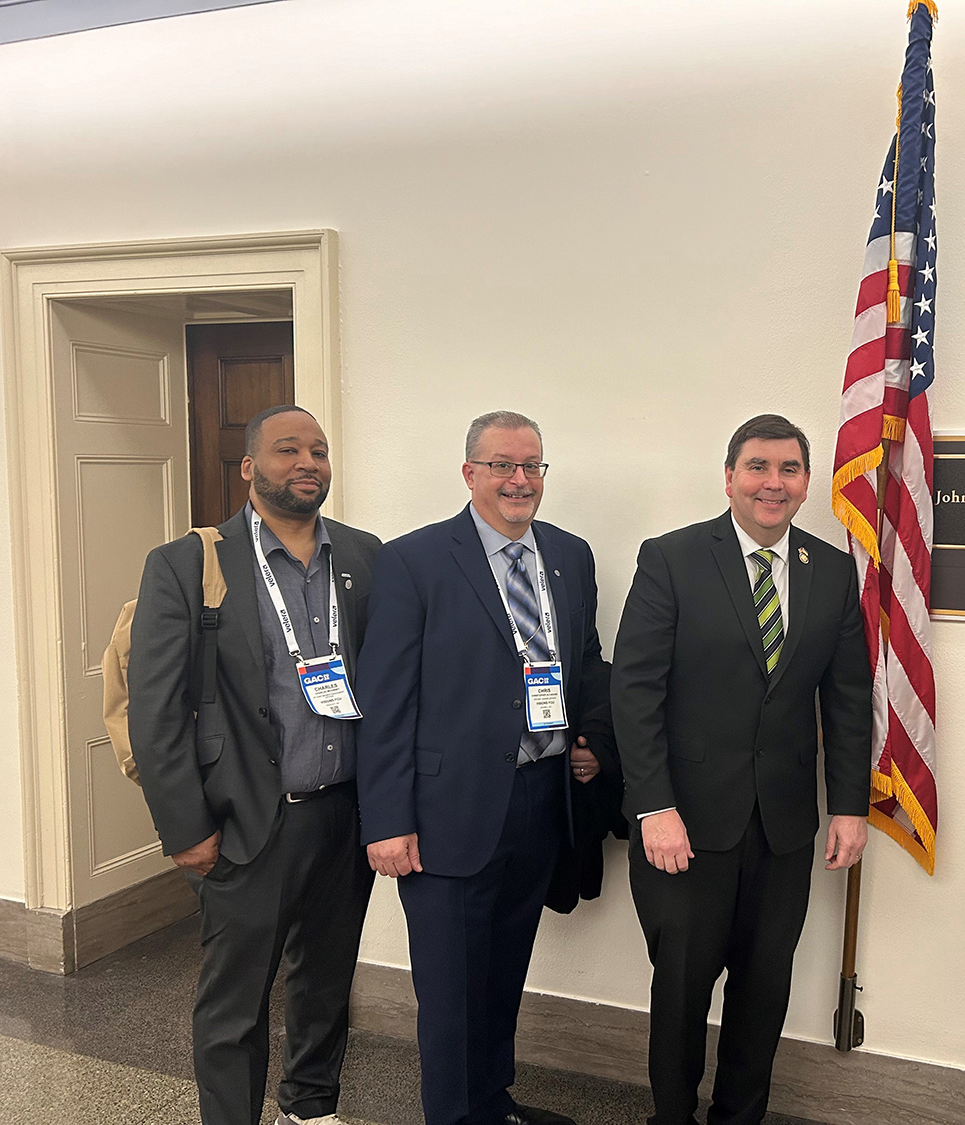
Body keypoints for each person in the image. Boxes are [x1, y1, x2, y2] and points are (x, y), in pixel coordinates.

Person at [612, 413, 872, 1125]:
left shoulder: (832, 569)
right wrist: (652, 805)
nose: (773, 483)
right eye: (758, 466)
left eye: (789, 469)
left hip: (784, 827)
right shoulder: (671, 558)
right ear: (729, 477)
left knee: (764, 992)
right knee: (683, 993)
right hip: (685, 826)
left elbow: (848, 697)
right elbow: (635, 692)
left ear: (806, 482)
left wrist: (850, 805)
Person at [356, 410, 615, 1125]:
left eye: (532, 465)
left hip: (539, 799)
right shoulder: (414, 560)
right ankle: (452, 1114)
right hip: (446, 815)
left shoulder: (569, 554)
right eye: (502, 464)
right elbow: (386, 698)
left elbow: (582, 663)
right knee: (450, 990)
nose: (519, 479)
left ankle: (491, 1102)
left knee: (503, 972)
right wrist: (387, 820)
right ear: (469, 473)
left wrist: (588, 738)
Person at [130, 404, 380, 1125]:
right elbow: (157, 708)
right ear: (248, 467)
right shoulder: (187, 562)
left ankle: (310, 1106)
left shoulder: (365, 556)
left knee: (327, 984)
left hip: (345, 814)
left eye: (320, 450)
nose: (308, 462)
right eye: (287, 449)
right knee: (236, 1000)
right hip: (247, 820)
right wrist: (185, 828)